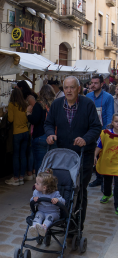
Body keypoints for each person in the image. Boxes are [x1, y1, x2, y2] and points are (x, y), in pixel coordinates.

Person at [44, 76, 102, 231]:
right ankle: (60, 219)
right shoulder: (57, 105)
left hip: (84, 155)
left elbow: (96, 128)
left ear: (78, 89)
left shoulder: (87, 104)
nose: (68, 91)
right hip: (63, 156)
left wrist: (85, 139)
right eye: (66, 88)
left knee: (79, 189)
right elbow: (48, 123)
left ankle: (76, 226)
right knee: (62, 188)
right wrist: (50, 134)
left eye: (72, 87)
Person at [86, 74, 114, 188]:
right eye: (92, 83)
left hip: (103, 131)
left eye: (96, 83)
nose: (93, 85)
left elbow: (109, 115)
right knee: (94, 154)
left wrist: (106, 132)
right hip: (91, 130)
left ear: (102, 84)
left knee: (103, 155)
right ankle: (98, 178)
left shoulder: (108, 97)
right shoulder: (88, 96)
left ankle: (103, 179)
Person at [27, 84, 56, 175]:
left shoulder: (38, 105)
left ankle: (40, 187)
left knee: (40, 165)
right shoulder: (55, 105)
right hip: (53, 136)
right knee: (52, 165)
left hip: (40, 136)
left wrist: (28, 113)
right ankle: (50, 185)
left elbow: (34, 120)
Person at [29, 169, 65, 237]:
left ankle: (44, 228)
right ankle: (34, 227)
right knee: (38, 216)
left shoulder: (55, 194)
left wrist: (57, 200)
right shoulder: (36, 192)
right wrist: (33, 200)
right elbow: (32, 203)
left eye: (37, 183)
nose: (35, 184)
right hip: (41, 211)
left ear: (44, 187)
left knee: (49, 217)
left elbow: (63, 201)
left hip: (53, 213)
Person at [94, 113, 118, 215]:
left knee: (117, 185)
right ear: (112, 123)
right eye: (116, 121)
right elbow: (99, 145)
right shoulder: (105, 134)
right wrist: (94, 156)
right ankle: (107, 194)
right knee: (107, 181)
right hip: (107, 162)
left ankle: (117, 204)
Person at [5, 88, 29, 186]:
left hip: (17, 133)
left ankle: (15, 178)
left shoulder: (12, 105)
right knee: (23, 155)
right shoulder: (25, 104)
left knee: (16, 155)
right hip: (26, 132)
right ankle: (22, 177)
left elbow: (10, 119)